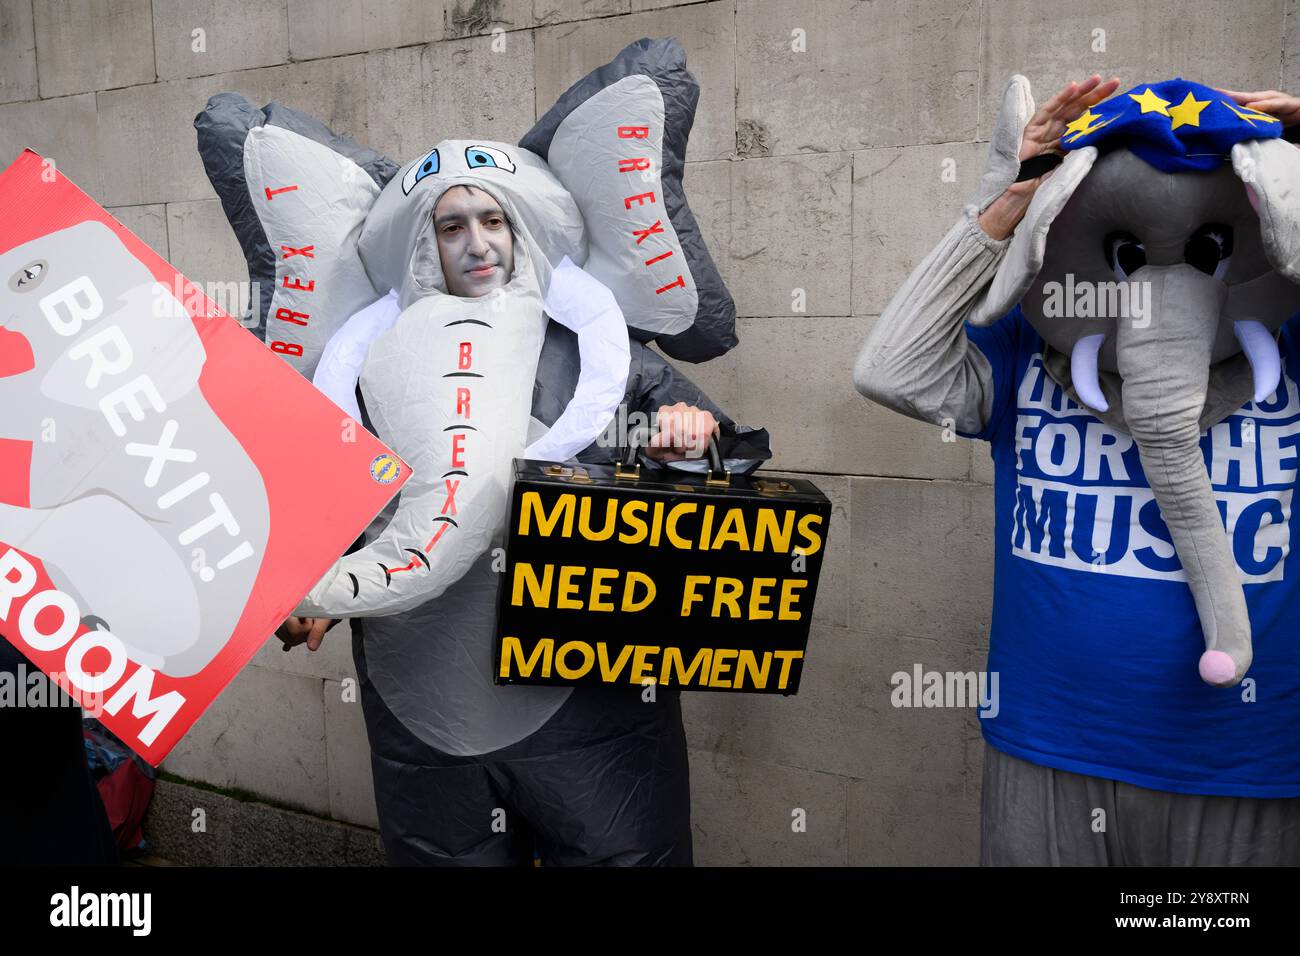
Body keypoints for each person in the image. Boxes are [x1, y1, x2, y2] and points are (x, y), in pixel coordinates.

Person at [854, 75, 1300, 865]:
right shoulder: (1032, 357)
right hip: (1051, 746)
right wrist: (1008, 200)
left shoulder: (1289, 349)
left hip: (1252, 761)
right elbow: (892, 370)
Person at [279, 183, 730, 866]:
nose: (477, 243)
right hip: (428, 706)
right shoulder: (366, 366)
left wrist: (689, 441)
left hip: (590, 704)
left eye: (492, 220)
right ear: (426, 246)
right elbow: (343, 512)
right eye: (451, 226)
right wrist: (315, 602)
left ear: (519, 229)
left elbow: (726, 462)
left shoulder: (594, 351)